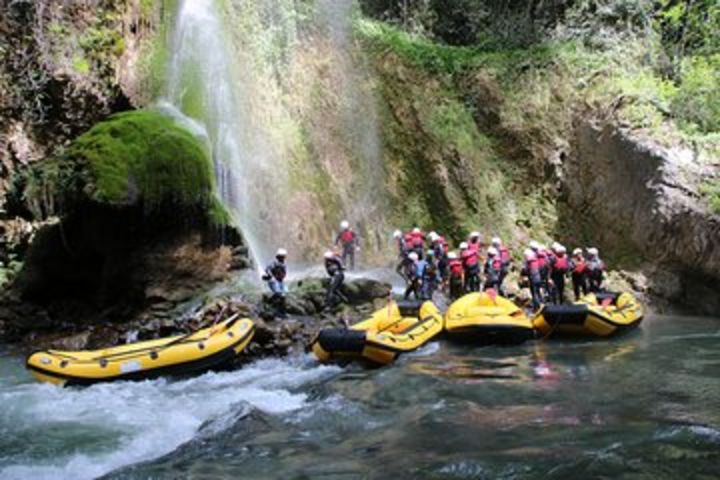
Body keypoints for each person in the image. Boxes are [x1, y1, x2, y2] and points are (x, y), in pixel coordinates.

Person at [264, 248, 288, 316]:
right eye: (281, 256)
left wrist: (282, 277)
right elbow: (267, 269)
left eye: (283, 257)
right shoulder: (273, 263)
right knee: (278, 293)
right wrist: (271, 276)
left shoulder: (283, 264)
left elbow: (284, 273)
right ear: (278, 257)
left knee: (284, 294)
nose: (283, 258)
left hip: (280, 281)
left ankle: (282, 311)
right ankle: (269, 303)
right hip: (274, 281)